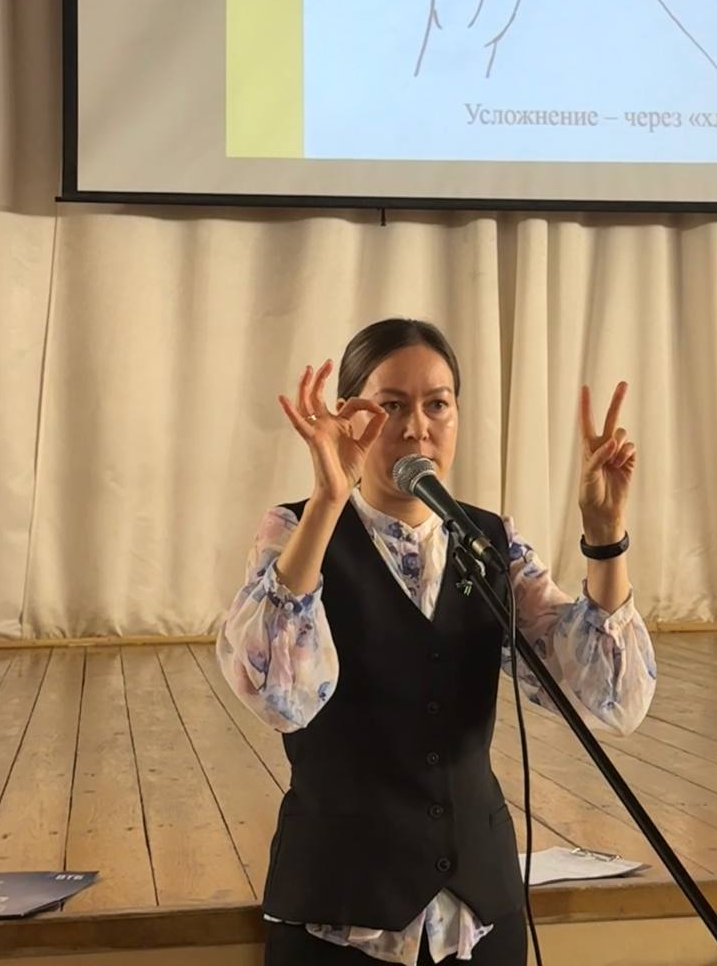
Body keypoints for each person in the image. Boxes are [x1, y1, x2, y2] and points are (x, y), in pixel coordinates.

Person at [217, 319, 656, 965]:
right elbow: (282, 698)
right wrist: (329, 500)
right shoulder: (296, 532)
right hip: (341, 912)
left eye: (438, 404)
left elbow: (607, 698)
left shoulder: (489, 541)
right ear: (348, 416)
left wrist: (605, 536)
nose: (416, 427)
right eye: (392, 405)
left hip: (480, 914)